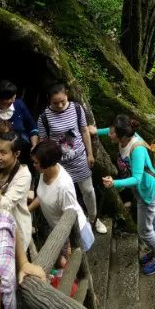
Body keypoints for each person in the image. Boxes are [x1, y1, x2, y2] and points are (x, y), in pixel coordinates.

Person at [97, 114, 155, 275]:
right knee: (152, 217)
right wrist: (94, 131)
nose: (109, 134)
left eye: (112, 133)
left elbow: (136, 178)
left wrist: (115, 183)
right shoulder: (126, 135)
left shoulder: (137, 150)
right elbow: (110, 129)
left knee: (144, 231)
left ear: (122, 136)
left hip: (147, 192)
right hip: (144, 191)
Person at [37, 83, 107, 234]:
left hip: (79, 158)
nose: (60, 105)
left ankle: (94, 219)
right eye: (55, 103)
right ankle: (75, 224)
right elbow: (43, 142)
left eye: (62, 100)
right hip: (59, 165)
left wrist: (90, 154)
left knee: (88, 191)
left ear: (67, 94)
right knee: (67, 195)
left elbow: (84, 130)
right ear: (49, 100)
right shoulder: (44, 117)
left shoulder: (76, 108)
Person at [28, 139, 95, 252]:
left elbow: (69, 218)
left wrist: (68, 249)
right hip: (59, 231)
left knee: (75, 264)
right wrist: (26, 210)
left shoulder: (64, 186)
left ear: (47, 164)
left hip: (73, 234)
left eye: (36, 162)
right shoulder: (44, 172)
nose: (33, 165)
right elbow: (43, 196)